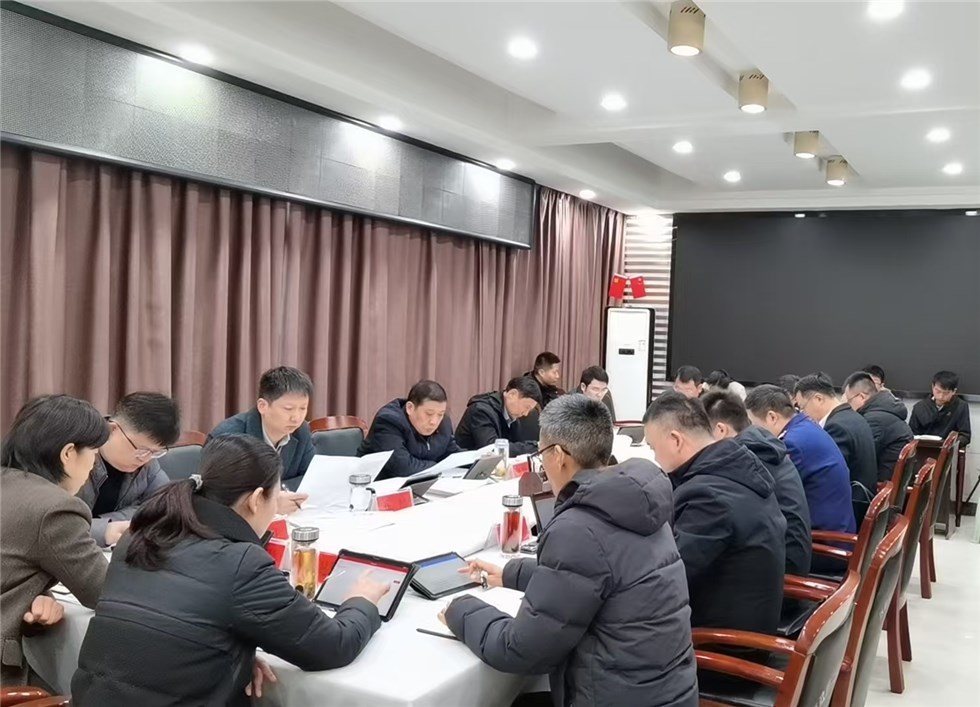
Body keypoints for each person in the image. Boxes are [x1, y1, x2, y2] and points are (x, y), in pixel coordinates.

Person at [72, 435, 390, 707]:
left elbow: (170, 630)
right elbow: (332, 646)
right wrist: (361, 601)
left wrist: (233, 658)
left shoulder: (138, 537)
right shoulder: (242, 562)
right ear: (256, 500)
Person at [443, 396, 698, 707]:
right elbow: (596, 576)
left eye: (540, 455)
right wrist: (511, 573)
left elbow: (522, 650)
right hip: (671, 693)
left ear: (558, 456)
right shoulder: (640, 502)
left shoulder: (577, 527)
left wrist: (461, 610)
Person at [644, 392, 785, 637]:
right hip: (746, 620)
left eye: (653, 448)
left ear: (676, 440)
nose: (655, 457)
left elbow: (668, 578)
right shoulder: (737, 466)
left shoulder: (708, 497)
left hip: (722, 643)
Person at [1, 396, 110, 684]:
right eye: (94, 454)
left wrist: (38, 595)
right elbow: (105, 592)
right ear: (68, 453)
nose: (94, 466)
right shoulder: (55, 508)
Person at [702, 391, 811, 577]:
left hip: (783, 570)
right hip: (790, 553)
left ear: (720, 430)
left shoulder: (745, 459)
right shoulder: (763, 445)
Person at [745, 385, 856, 536]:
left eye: (752, 423)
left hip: (824, 538)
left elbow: (770, 492)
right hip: (838, 525)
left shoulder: (792, 444)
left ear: (772, 417)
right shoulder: (806, 425)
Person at [76, 392, 181, 548]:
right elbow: (51, 524)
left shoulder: (148, 463)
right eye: (141, 450)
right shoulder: (75, 455)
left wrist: (106, 522)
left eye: (156, 452)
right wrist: (102, 530)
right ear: (112, 430)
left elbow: (166, 509)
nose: (145, 459)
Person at [209, 366, 314, 508]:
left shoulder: (301, 432)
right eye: (288, 409)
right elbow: (218, 495)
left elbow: (310, 478)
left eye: (303, 408)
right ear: (262, 406)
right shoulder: (229, 437)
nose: (296, 418)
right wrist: (270, 501)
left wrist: (278, 494)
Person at [793, 373, 877, 523]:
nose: (802, 414)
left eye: (802, 408)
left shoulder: (836, 427)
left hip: (852, 512)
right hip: (862, 502)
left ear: (818, 399)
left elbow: (828, 480)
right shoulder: (853, 416)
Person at [358, 380, 461, 479]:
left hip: (420, 485)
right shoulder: (389, 421)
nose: (434, 421)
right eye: (429, 414)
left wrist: (471, 461)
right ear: (410, 408)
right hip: (377, 485)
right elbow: (402, 467)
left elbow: (452, 454)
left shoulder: (444, 423)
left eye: (440, 414)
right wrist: (439, 467)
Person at [842, 371, 914, 483]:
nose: (848, 405)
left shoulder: (874, 421)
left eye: (849, 401)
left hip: (880, 486)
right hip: (890, 482)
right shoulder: (885, 411)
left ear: (861, 397)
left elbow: (858, 458)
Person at [455, 376, 542, 455]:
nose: (526, 413)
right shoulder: (481, 411)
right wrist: (534, 447)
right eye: (526, 407)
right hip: (466, 465)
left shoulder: (512, 414)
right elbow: (491, 449)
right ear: (512, 394)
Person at [910, 370, 972, 447]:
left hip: (948, 450)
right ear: (933, 387)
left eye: (946, 393)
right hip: (923, 448)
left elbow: (965, 436)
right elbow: (911, 434)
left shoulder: (961, 406)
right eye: (938, 391)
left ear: (954, 391)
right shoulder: (919, 407)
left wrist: (950, 444)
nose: (941, 397)